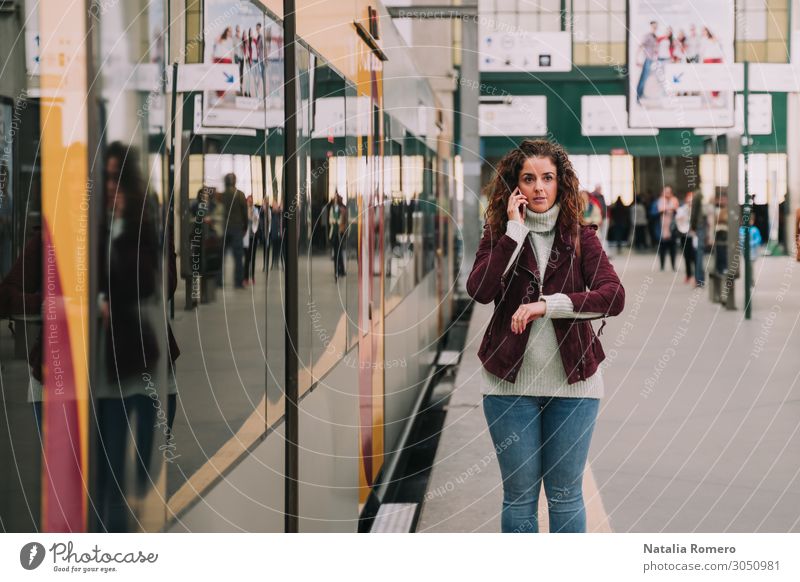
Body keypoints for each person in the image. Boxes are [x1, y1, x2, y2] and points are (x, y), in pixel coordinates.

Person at [466, 139, 625, 534]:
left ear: (561, 184)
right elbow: (481, 290)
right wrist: (513, 233)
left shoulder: (579, 237)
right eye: (529, 178)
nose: (539, 187)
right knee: (519, 497)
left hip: (574, 388)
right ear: (514, 187)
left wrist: (548, 305)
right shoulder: (499, 235)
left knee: (565, 495)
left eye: (548, 178)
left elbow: (613, 295)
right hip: (508, 386)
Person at [220, 173, 248, 289]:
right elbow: (244, 214)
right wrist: (245, 227)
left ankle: (218, 281)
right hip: (237, 228)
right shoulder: (240, 195)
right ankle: (238, 281)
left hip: (224, 228)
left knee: (221, 256)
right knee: (238, 256)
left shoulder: (221, 196)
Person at [657, 186, 679, 271]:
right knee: (662, 248)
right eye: (666, 192)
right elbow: (660, 210)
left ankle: (673, 266)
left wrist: (668, 209)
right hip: (663, 227)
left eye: (669, 192)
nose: (667, 194)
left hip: (673, 227)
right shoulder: (661, 200)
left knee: (673, 248)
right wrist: (669, 209)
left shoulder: (674, 199)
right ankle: (662, 266)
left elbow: (677, 210)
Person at [636, 21, 659, 103]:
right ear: (650, 27)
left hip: (651, 60)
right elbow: (640, 46)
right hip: (646, 59)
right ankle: (637, 96)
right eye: (653, 27)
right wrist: (637, 59)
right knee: (643, 78)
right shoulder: (647, 36)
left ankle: (641, 94)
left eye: (656, 27)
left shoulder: (655, 37)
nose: (655, 28)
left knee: (645, 78)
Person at [690, 189, 708, 287]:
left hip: (700, 226)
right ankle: (700, 279)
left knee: (699, 253)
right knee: (700, 253)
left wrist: (692, 226)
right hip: (704, 226)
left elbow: (694, 212)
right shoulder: (701, 194)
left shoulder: (697, 195)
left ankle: (699, 279)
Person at [328, 192, 347, 280]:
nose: (335, 200)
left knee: (339, 252)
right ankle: (338, 270)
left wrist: (338, 221)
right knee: (336, 253)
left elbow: (342, 220)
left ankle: (341, 270)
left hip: (340, 232)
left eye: (336, 199)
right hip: (334, 233)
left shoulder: (342, 209)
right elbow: (330, 219)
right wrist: (333, 221)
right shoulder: (332, 208)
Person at [242, 195, 260, 287]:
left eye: (251, 201)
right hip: (246, 237)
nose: (250, 202)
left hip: (253, 237)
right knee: (246, 259)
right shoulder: (244, 210)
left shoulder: (255, 210)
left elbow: (256, 220)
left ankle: (252, 277)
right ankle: (245, 278)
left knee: (252, 258)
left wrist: (253, 216)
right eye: (248, 201)